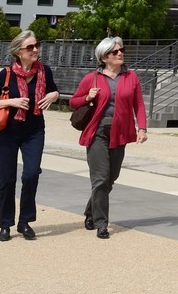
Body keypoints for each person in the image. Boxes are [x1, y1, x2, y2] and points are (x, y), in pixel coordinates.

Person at [0, 29, 61, 242]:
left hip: (34, 131)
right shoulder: (6, 74)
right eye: (30, 47)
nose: (35, 50)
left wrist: (54, 94)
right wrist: (11, 102)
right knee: (7, 179)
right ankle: (5, 224)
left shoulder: (44, 71)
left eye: (37, 46)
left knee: (31, 175)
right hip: (7, 133)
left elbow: (54, 91)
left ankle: (25, 221)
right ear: (18, 52)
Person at [70, 37, 148, 239]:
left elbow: (138, 105)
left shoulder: (131, 77)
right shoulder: (92, 78)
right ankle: (102, 224)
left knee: (110, 179)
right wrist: (88, 97)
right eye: (115, 52)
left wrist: (142, 128)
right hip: (97, 133)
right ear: (104, 57)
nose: (120, 53)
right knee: (100, 179)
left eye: (122, 50)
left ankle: (90, 212)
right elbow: (73, 102)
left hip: (120, 133)